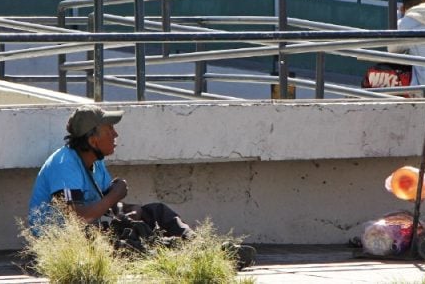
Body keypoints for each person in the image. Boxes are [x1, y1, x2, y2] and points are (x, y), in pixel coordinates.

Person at [28, 104, 256, 267]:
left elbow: (105, 208)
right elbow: (77, 219)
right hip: (63, 243)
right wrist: (114, 196)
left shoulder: (95, 163)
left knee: (154, 212)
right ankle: (211, 256)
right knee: (132, 240)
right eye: (110, 131)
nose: (116, 134)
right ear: (92, 139)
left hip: (90, 229)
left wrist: (127, 208)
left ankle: (204, 247)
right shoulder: (64, 165)